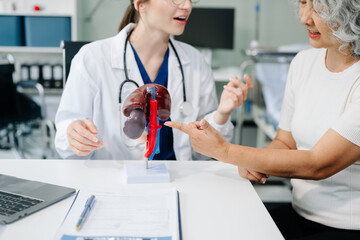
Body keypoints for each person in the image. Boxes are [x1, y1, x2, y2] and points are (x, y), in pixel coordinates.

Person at [166, 0, 360, 238]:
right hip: (301, 213)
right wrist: (256, 163)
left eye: (320, 8)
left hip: (348, 226)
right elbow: (285, 143)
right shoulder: (303, 63)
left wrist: (225, 151)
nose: (304, 18)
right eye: (303, 3)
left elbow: (318, 164)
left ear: (352, 10)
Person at [55, 0, 252, 160]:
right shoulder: (92, 58)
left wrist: (222, 113)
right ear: (141, 4)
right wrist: (74, 135)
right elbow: (66, 132)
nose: (187, 6)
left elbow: (205, 153)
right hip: (116, 184)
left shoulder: (195, 61)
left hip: (179, 181)